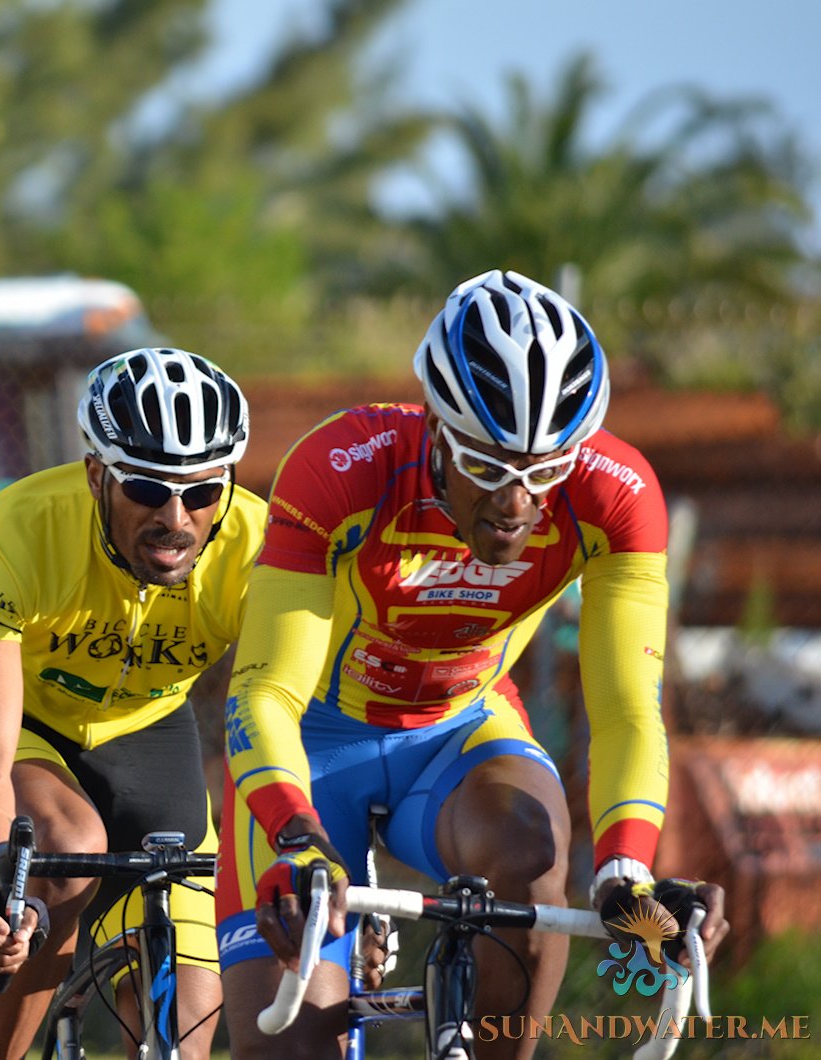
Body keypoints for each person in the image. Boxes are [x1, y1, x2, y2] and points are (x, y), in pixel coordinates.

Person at [215, 270, 729, 1059]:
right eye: (488, 467)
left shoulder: (617, 494)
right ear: (435, 429)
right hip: (314, 741)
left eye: (544, 471)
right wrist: (292, 837)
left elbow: (628, 707)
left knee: (529, 853)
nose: (518, 503)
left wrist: (627, 869)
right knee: (292, 1047)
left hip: (460, 729)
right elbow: (262, 693)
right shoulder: (344, 465)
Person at [0, 347, 265, 1059]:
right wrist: (3, 896)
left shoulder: (258, 547)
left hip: (147, 731)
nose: (176, 518)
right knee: (63, 855)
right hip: (22, 728)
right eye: (147, 488)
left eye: (203, 492)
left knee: (183, 1033)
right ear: (95, 475)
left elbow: (293, 717)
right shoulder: (10, 534)